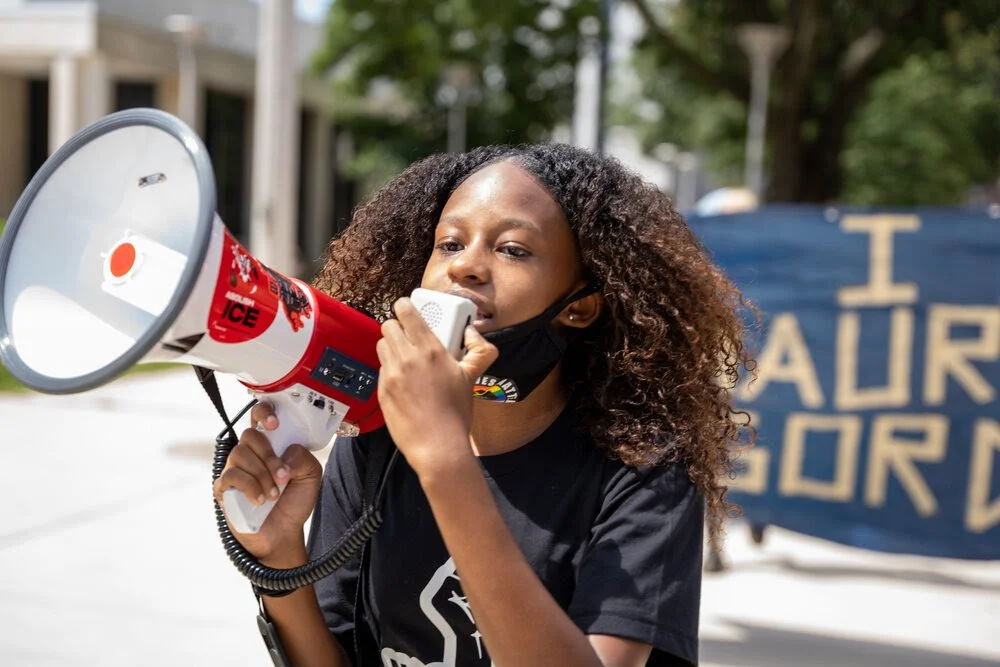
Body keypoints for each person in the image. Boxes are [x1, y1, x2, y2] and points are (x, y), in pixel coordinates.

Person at [214, 144, 755, 667]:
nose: (466, 268)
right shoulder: (376, 438)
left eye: (513, 249)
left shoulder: (644, 472)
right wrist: (280, 555)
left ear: (582, 307)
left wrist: (444, 460)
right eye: (449, 244)